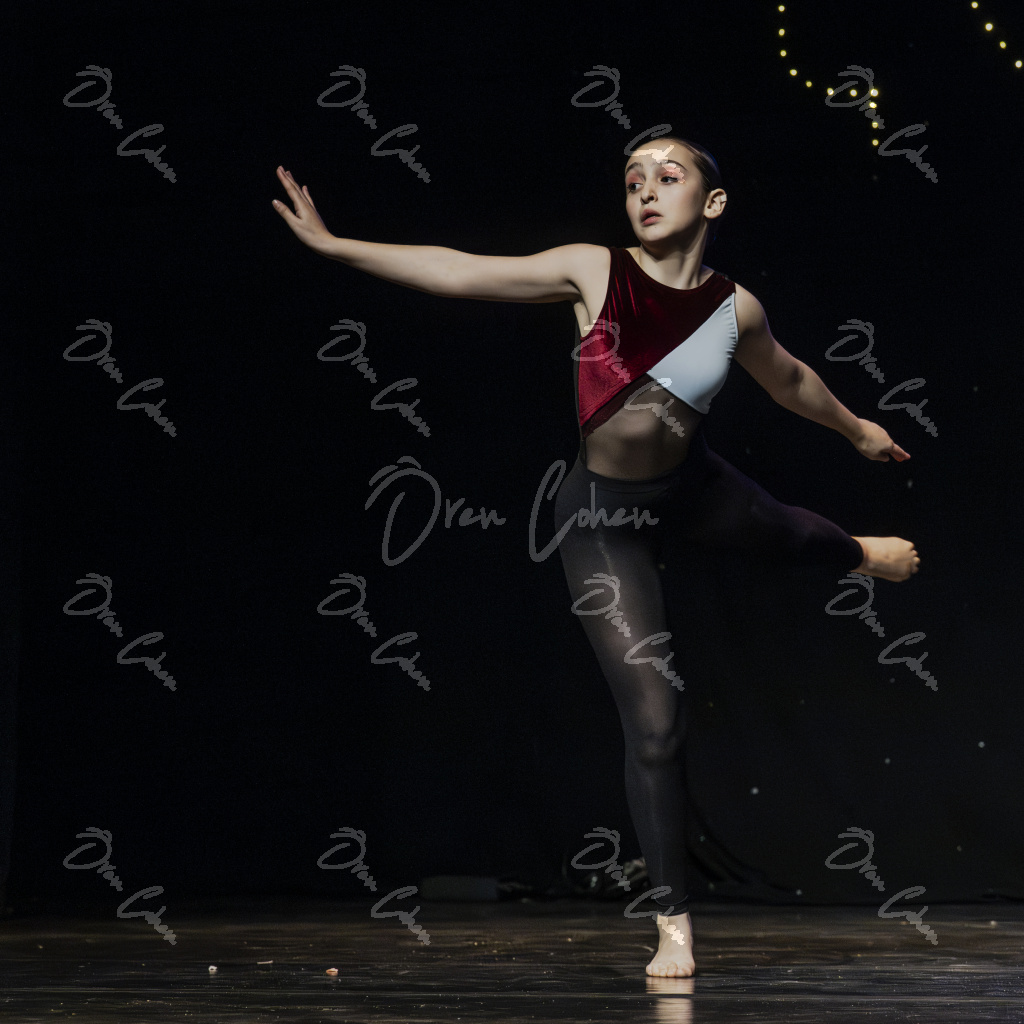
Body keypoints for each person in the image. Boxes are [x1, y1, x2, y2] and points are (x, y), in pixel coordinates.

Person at [271, 138, 920, 978]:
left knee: (795, 537)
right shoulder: (594, 271)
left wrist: (858, 429)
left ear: (713, 204)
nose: (645, 191)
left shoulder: (736, 309)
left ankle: (858, 553)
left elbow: (789, 379)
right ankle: (673, 923)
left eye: (668, 177)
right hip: (601, 518)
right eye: (632, 180)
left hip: (694, 487)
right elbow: (461, 271)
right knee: (657, 722)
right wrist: (336, 246)